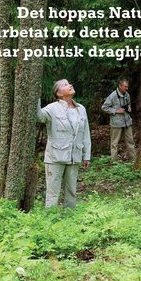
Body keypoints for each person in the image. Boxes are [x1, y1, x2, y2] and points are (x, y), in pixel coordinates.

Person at [36, 79, 91, 208]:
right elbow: (39, 117)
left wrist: (86, 155)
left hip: (74, 156)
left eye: (69, 83)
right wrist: (36, 97)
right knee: (52, 193)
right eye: (65, 85)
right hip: (55, 157)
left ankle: (70, 219)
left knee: (71, 191)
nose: (70, 85)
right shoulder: (52, 108)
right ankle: (50, 219)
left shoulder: (81, 109)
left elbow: (85, 134)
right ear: (59, 93)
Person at [101, 78, 137, 162]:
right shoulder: (113, 95)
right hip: (116, 123)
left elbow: (129, 105)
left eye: (127, 87)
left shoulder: (127, 94)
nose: (127, 88)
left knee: (130, 142)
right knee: (114, 143)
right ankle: (114, 162)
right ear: (120, 86)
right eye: (125, 87)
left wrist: (129, 108)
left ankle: (133, 160)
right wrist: (116, 111)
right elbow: (104, 107)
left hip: (127, 121)